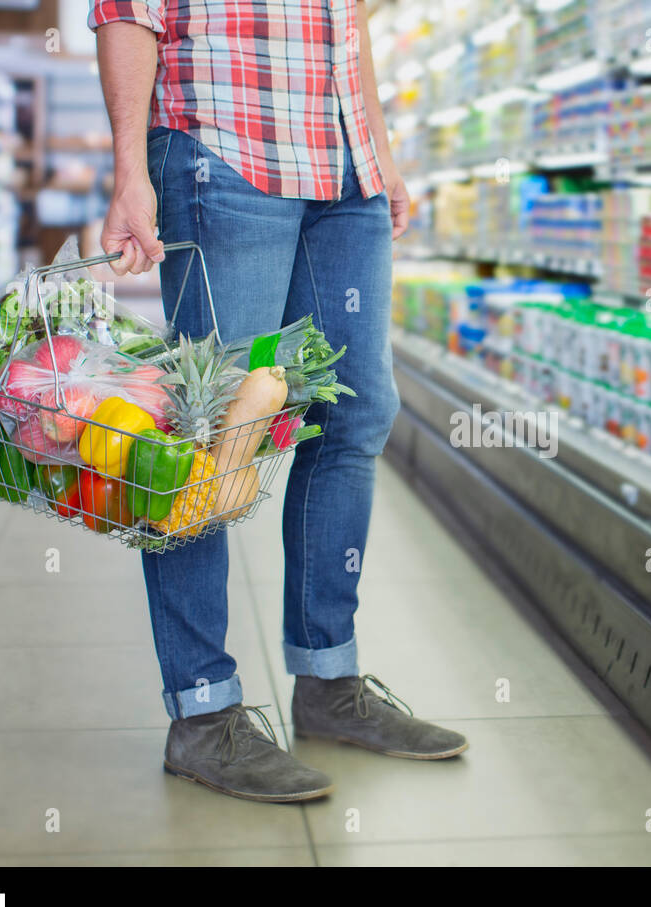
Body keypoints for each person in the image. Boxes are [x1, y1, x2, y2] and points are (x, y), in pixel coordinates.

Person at [89, 0, 467, 803]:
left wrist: (383, 156)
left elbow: (347, 21)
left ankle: (328, 681)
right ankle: (202, 713)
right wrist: (129, 171)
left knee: (354, 413)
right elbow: (126, 10)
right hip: (226, 150)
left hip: (345, 167)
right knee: (209, 436)